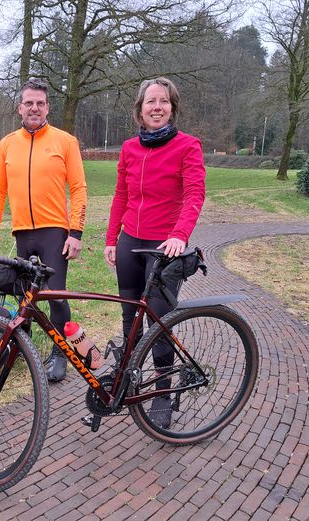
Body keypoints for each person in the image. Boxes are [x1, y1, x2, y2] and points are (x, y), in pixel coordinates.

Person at [104, 77, 206, 427]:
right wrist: (110, 238)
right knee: (129, 317)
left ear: (172, 108)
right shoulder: (130, 148)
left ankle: (163, 391)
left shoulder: (188, 146)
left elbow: (194, 194)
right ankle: (128, 378)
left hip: (165, 246)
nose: (157, 107)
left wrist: (180, 235)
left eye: (163, 101)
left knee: (158, 322)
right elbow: (121, 195)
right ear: (140, 109)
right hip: (130, 242)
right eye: (151, 102)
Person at [0, 78, 88, 382]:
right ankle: (23, 347)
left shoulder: (64, 141)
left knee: (54, 296)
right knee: (24, 294)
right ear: (20, 108)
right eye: (28, 102)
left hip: (54, 232)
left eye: (40, 103)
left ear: (48, 107)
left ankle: (59, 355)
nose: (34, 107)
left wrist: (76, 232)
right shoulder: (7, 144)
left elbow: (79, 188)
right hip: (22, 232)